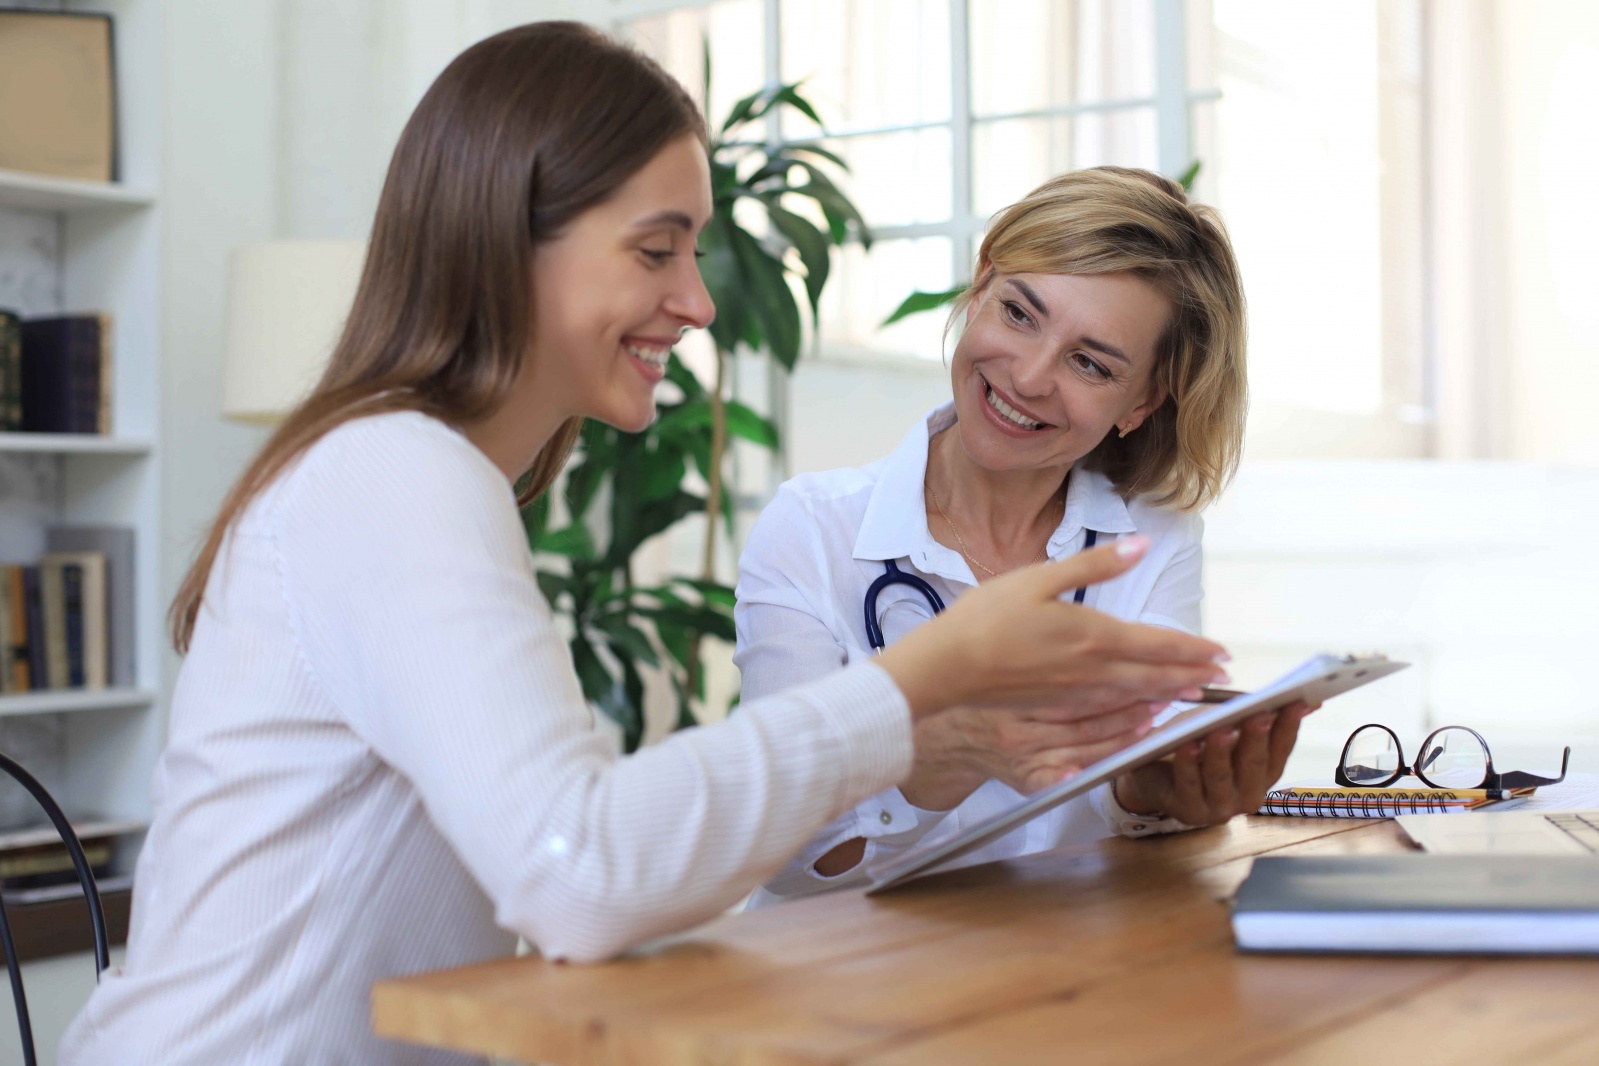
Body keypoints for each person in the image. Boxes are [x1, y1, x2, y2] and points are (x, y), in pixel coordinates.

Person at [59, 25, 1230, 1066]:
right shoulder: (390, 473)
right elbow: (581, 870)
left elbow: (582, 841)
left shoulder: (438, 478)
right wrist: (923, 684)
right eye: (656, 248)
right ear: (514, 241)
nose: (699, 300)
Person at [738, 167, 1311, 901]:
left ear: (1139, 403)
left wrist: (1156, 794)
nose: (1029, 376)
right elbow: (780, 854)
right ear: (980, 288)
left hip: (1053, 974)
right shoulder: (812, 530)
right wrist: (946, 755)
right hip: (843, 986)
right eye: (1017, 313)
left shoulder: (1154, 540)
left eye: (1088, 363)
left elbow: (1127, 812)